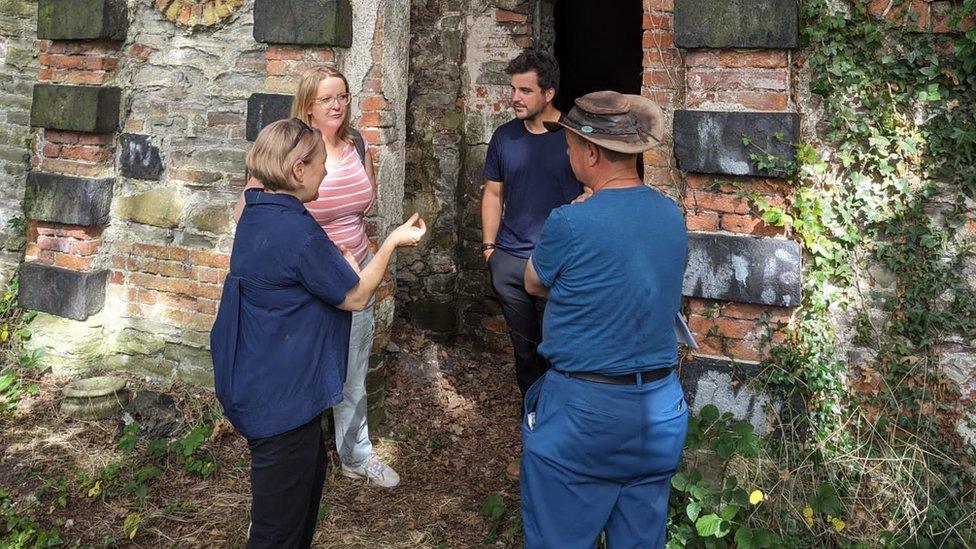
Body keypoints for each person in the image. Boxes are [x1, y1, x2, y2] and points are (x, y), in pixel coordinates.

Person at [211, 118, 426, 548]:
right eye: (320, 164)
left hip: (265, 383)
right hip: (281, 400)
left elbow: (296, 280)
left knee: (301, 500)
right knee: (278, 531)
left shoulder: (256, 209)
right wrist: (391, 243)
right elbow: (357, 296)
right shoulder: (297, 231)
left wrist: (334, 266)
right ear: (297, 171)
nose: (326, 172)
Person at [520, 91, 689, 548]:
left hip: (584, 413)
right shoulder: (671, 215)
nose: (568, 153)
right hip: (659, 408)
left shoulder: (571, 221)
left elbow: (533, 281)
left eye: (570, 145)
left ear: (591, 152)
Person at [234, 67, 399, 488]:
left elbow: (364, 204)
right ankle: (295, 460)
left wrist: (351, 253)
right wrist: (307, 247)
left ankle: (355, 455)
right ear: (308, 105)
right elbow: (250, 215)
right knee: (303, 372)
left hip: (352, 273)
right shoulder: (290, 152)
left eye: (342, 96)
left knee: (353, 375)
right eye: (327, 98)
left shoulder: (358, 145)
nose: (338, 105)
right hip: (306, 286)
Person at [481, 49, 586, 401]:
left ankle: (561, 420)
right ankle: (533, 417)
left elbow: (594, 191)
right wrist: (489, 249)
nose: (515, 98)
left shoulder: (574, 136)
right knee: (524, 352)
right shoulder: (504, 137)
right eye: (513, 89)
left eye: (525, 91)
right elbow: (494, 194)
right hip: (509, 261)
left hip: (557, 264)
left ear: (549, 93)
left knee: (558, 350)